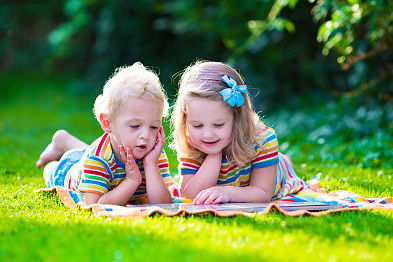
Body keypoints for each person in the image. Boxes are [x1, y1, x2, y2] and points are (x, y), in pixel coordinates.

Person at [171, 61, 309, 205]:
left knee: (281, 165)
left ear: (237, 119)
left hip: (277, 175)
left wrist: (227, 192)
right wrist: (214, 155)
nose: (207, 135)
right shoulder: (192, 142)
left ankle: (285, 161)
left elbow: (262, 193)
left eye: (218, 125)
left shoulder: (262, 140)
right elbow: (188, 195)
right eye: (198, 125)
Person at [37, 62, 174, 205]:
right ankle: (58, 151)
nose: (146, 135)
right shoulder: (97, 159)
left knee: (84, 153)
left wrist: (151, 165)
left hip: (89, 158)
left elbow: (163, 204)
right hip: (68, 169)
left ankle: (65, 140)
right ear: (107, 123)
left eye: (153, 127)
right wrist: (131, 181)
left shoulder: (153, 155)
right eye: (135, 126)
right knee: (52, 170)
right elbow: (94, 204)